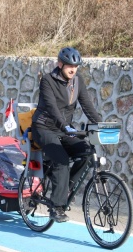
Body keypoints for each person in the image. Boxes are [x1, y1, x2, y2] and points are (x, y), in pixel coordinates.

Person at [31, 47, 102, 223]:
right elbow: (51, 107)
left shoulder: (77, 81)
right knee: (61, 160)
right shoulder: (47, 80)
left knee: (86, 152)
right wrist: (64, 126)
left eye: (76, 66)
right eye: (69, 65)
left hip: (64, 129)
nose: (73, 69)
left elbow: (87, 105)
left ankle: (66, 189)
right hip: (44, 128)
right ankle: (56, 206)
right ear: (60, 64)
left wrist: (101, 124)